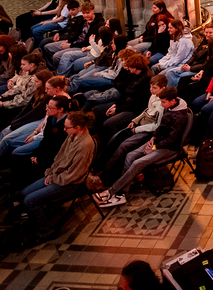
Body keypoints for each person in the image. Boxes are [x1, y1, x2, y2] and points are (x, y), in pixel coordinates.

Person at [94, 87, 188, 207]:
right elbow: (161, 127)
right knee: (130, 155)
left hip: (168, 148)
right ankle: (121, 194)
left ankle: (111, 192)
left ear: (172, 101)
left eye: (163, 102)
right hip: (157, 142)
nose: (161, 104)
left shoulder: (179, 116)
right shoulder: (169, 106)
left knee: (137, 163)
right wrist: (153, 138)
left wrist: (154, 148)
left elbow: (172, 140)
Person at [21, 110, 96, 242]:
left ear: (78, 127)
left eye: (67, 127)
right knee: (24, 193)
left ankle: (45, 232)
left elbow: (73, 174)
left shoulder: (85, 145)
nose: (64, 129)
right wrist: (50, 172)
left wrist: (53, 178)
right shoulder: (72, 135)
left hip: (71, 184)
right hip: (58, 176)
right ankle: (40, 217)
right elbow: (59, 156)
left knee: (30, 201)